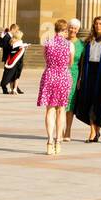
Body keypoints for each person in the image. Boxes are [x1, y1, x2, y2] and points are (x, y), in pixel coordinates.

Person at [37, 18, 75, 156]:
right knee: (61, 109)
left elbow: (46, 59)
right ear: (64, 30)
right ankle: (58, 141)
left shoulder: (47, 43)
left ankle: (49, 141)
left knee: (49, 109)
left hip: (49, 76)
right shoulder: (69, 45)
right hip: (63, 77)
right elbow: (70, 63)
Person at [73, 16, 101, 142]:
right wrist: (80, 78)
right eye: (96, 24)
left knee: (99, 104)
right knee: (89, 103)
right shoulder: (89, 41)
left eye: (100, 24)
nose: (98, 26)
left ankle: (96, 132)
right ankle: (93, 132)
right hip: (90, 73)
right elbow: (83, 61)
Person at [62, 19, 84, 142]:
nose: (72, 30)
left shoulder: (81, 45)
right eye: (70, 27)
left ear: (78, 30)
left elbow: (81, 64)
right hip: (60, 74)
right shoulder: (61, 42)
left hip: (74, 75)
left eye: (75, 28)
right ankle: (59, 129)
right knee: (60, 103)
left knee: (70, 103)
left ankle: (68, 130)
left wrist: (80, 79)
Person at [0, 27, 27, 95]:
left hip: (12, 61)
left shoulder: (12, 42)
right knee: (16, 76)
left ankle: (13, 89)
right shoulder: (17, 42)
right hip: (16, 62)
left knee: (12, 76)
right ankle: (14, 89)